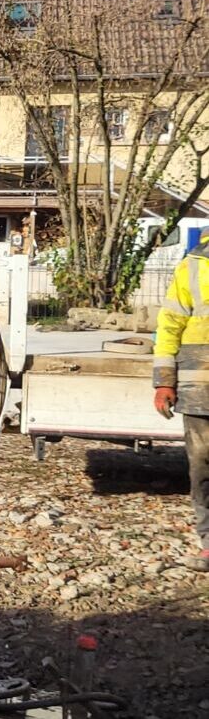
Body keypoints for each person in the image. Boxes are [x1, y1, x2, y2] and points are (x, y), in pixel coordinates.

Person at [153, 243, 209, 573]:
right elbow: (170, 324)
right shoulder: (194, 265)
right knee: (203, 469)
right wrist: (164, 380)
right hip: (201, 387)